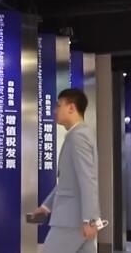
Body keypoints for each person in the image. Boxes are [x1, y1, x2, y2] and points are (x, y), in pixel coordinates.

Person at [32, 88, 101, 253]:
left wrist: (89, 220)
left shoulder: (79, 137)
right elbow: (68, 181)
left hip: (71, 220)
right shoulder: (78, 135)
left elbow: (87, 180)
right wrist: (46, 206)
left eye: (59, 105)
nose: (55, 110)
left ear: (71, 108)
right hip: (77, 220)